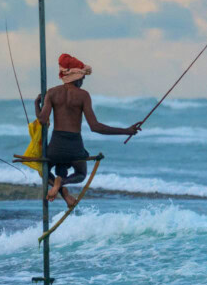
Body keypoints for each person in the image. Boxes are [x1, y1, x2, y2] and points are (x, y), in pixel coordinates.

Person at [36, 53, 141, 208]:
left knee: (43, 171)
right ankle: (63, 184)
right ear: (76, 77)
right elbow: (95, 127)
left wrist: (36, 104)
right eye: (82, 78)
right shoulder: (83, 96)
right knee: (80, 174)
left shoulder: (51, 93)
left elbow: (42, 120)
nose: (83, 81)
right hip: (74, 147)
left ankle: (61, 189)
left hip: (55, 147)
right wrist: (126, 131)